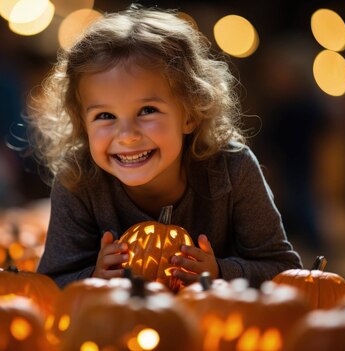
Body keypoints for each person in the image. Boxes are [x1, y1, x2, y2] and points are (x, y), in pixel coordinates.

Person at [30, 6, 302, 289]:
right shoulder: (79, 179)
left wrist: (220, 272)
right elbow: (50, 283)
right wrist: (94, 278)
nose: (127, 135)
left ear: (190, 114)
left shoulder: (232, 169)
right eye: (105, 116)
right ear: (82, 124)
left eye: (147, 110)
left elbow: (284, 269)